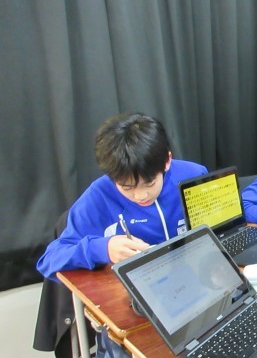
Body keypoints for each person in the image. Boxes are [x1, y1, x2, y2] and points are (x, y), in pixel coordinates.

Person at [37, 112, 207, 279]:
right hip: (139, 287)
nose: (140, 196)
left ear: (167, 161)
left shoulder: (194, 175)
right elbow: (50, 260)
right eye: (126, 187)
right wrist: (103, 249)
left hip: (196, 276)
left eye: (149, 183)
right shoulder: (99, 196)